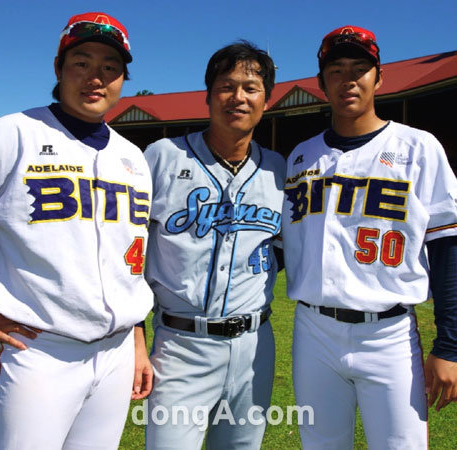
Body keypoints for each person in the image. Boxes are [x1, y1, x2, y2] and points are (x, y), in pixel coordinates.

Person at [0, 12, 153, 449]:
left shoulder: (133, 156)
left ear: (122, 80)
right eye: (82, 62)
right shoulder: (11, 133)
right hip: (41, 353)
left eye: (110, 67)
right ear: (59, 69)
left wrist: (136, 339)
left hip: (117, 355)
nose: (96, 77)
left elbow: (130, 259)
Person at [282, 25, 457, 449]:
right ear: (322, 83)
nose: (349, 79)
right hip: (313, 329)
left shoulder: (419, 147)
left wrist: (450, 345)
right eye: (337, 69)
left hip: (389, 332)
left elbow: (448, 246)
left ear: (379, 78)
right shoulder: (300, 156)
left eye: (361, 68)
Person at [141, 41, 285, 449]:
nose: (238, 96)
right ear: (207, 95)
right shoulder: (162, 157)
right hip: (181, 343)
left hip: (255, 345)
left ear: (266, 100)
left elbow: (282, 249)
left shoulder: (277, 168)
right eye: (226, 85)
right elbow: (128, 251)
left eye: (251, 87)